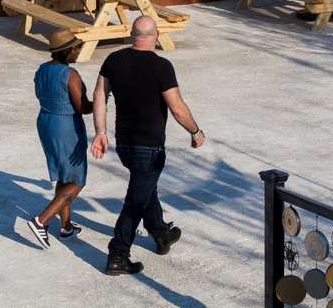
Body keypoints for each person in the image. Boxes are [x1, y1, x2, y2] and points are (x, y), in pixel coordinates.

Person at [91, 16, 205, 276]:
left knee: (145, 188)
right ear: (156, 35)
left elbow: (99, 94)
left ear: (132, 34)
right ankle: (118, 254)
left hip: (125, 145)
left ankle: (161, 233)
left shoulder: (114, 60)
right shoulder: (161, 66)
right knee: (135, 200)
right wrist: (195, 131)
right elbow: (177, 108)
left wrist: (100, 131)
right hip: (149, 146)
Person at [26, 29, 93, 250]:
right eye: (76, 48)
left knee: (65, 176)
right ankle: (41, 220)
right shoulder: (70, 74)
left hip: (46, 121)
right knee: (77, 180)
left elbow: (39, 94)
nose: (78, 51)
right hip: (66, 127)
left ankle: (65, 227)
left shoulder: (42, 69)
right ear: (67, 51)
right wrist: (101, 101)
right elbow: (82, 107)